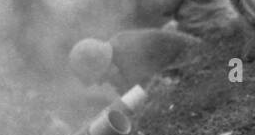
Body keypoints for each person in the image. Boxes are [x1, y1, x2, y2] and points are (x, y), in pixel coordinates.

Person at [68, 29, 202, 96]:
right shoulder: (118, 50)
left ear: (104, 65)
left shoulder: (128, 53)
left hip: (196, 59)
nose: (100, 83)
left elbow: (148, 90)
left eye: (101, 78)